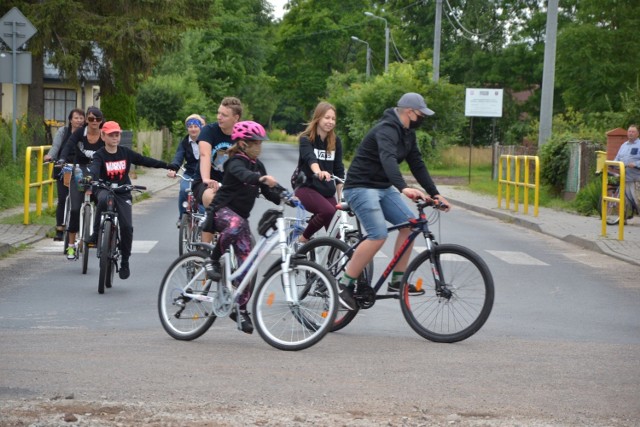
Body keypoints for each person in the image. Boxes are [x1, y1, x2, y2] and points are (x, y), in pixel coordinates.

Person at [338, 92, 451, 310]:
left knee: (409, 224)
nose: (423, 119)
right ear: (410, 112)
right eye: (421, 114)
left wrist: (434, 193)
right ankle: (343, 286)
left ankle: (397, 282)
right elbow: (387, 158)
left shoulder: (408, 134)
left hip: (381, 187)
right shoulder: (386, 130)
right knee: (378, 234)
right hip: (360, 187)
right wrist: (403, 188)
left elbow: (417, 163)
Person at [201, 121, 280, 334]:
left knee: (249, 265)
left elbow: (270, 192)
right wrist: (261, 179)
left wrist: (287, 196)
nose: (260, 147)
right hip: (221, 212)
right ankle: (213, 259)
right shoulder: (234, 162)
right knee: (235, 223)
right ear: (244, 144)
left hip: (241, 221)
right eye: (256, 143)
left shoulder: (257, 165)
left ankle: (240, 308)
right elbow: (247, 177)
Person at [86, 121, 178, 280]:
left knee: (127, 226)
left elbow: (144, 160)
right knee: (101, 201)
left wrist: (167, 165)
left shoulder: (125, 152)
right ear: (103, 136)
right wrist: (90, 178)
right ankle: (95, 234)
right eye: (111, 135)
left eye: (117, 134)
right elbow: (94, 168)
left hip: (122, 192)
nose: (115, 137)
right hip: (104, 188)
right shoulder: (99, 154)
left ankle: (125, 261)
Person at [293, 101, 345, 246]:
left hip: (327, 192)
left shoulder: (335, 141)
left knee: (336, 233)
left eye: (333, 119)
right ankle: (302, 239)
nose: (330, 122)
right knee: (327, 211)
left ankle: (330, 265)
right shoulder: (306, 138)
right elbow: (310, 158)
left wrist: (342, 198)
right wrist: (319, 172)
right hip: (306, 188)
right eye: (327, 118)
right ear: (318, 118)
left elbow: (339, 170)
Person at [58, 106, 106, 260]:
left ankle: (97, 234)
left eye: (97, 119)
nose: (94, 122)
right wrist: (62, 158)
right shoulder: (80, 132)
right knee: (75, 208)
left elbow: (112, 149)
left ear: (101, 121)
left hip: (98, 172)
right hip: (80, 170)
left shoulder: (104, 134)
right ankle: (71, 246)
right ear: (86, 119)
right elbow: (68, 146)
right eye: (91, 119)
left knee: (103, 203)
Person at [192, 97, 243, 244]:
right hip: (205, 181)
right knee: (213, 203)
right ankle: (205, 253)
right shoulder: (209, 130)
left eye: (224, 115)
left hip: (230, 184)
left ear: (236, 118)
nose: (219, 117)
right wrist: (207, 179)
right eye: (218, 113)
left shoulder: (241, 135)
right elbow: (205, 154)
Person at [45, 108, 86, 241]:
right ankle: (59, 229)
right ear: (70, 120)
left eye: (81, 118)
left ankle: (81, 225)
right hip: (64, 167)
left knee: (79, 200)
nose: (79, 120)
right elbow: (56, 146)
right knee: (62, 198)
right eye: (76, 118)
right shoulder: (63, 131)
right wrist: (50, 156)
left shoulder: (86, 133)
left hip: (80, 169)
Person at [166, 114, 206, 225]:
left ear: (200, 127)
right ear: (187, 128)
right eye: (190, 126)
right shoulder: (184, 143)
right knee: (184, 190)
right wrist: (173, 169)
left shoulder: (206, 141)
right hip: (189, 173)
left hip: (203, 174)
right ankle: (182, 217)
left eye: (195, 126)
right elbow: (178, 156)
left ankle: (204, 220)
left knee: (203, 196)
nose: (193, 129)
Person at [613, 124, 640, 214]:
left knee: (637, 201)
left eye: (633, 131)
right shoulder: (623, 145)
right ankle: (623, 219)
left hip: (636, 179)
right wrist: (613, 164)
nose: (631, 133)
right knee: (625, 201)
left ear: (638, 134)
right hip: (624, 178)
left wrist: (636, 164)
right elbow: (617, 158)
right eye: (629, 131)